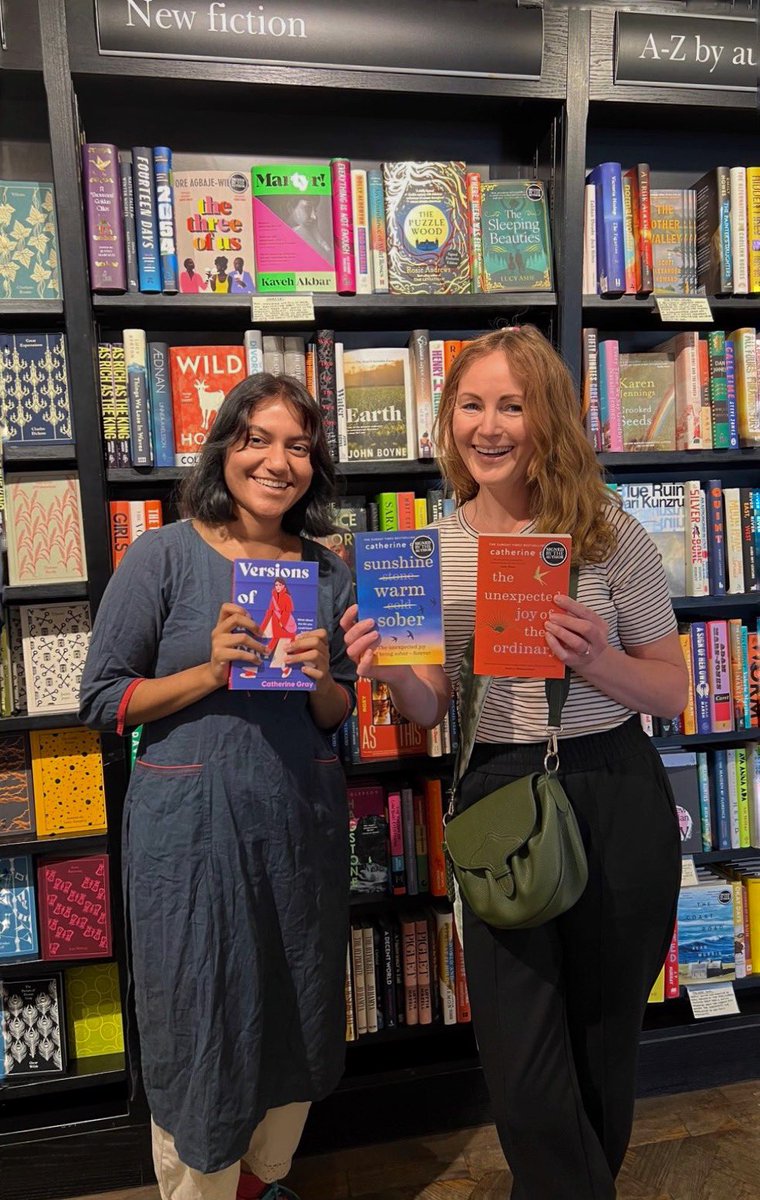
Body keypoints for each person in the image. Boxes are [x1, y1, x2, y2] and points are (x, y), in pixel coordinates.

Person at [341, 325, 686, 1200]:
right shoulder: (420, 550)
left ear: (549, 421)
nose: (487, 427)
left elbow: (672, 692)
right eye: (470, 404)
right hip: (497, 789)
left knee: (602, 1046)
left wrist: (599, 661)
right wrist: (384, 669)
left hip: (612, 788)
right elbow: (427, 709)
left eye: (512, 405)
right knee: (525, 1067)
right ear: (447, 417)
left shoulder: (607, 537)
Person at [79, 374, 356, 1200]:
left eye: (298, 446)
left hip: (296, 829)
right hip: (189, 842)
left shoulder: (325, 570)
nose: (279, 462)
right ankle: (200, 1184)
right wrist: (208, 670)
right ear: (225, 449)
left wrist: (316, 676)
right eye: (258, 440)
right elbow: (104, 699)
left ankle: (262, 1181)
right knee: (198, 1002)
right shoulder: (161, 556)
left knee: (293, 999)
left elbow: (335, 709)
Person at [260, 578, 297, 677]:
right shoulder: (273, 597)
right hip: (275, 624)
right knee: (263, 644)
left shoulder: (287, 597)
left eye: (280, 585)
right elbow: (269, 612)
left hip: (284, 627)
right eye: (276, 585)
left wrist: (282, 623)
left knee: (282, 647)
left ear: (284, 586)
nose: (278, 587)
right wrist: (262, 627)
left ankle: (284, 668)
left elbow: (287, 612)